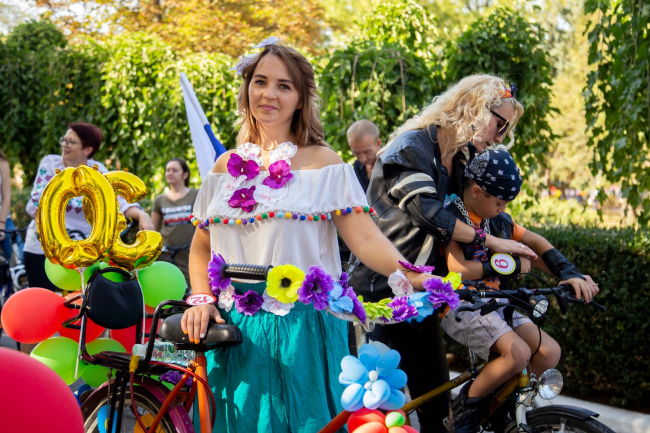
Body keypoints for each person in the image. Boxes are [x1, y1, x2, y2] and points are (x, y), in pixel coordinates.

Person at [180, 40, 434, 433]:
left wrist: (412, 274)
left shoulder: (325, 164)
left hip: (305, 332)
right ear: (247, 88)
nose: (269, 94)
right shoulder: (222, 168)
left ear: (300, 99)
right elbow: (201, 248)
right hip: (235, 334)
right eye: (260, 81)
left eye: (284, 86)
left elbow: (366, 240)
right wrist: (201, 299)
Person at [349, 74, 538, 432]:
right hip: (380, 293)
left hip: (422, 295)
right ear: (475, 106)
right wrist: (493, 244)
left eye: (506, 131)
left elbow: (482, 208)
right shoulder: (410, 148)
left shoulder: (463, 157)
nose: (500, 138)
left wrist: (535, 254)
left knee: (438, 412)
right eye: (500, 125)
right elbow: (430, 213)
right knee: (377, 413)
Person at [441, 147, 599, 432]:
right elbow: (458, 268)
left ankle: (500, 404)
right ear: (476, 192)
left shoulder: (499, 220)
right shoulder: (453, 217)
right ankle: (463, 413)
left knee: (549, 352)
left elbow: (536, 245)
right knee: (518, 353)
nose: (503, 210)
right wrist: (510, 266)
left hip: (498, 301)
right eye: (499, 203)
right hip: (462, 303)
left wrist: (569, 273)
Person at [23, 122, 154, 293]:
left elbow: (118, 202)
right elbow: (38, 202)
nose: (65, 145)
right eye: (64, 140)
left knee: (82, 302)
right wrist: (54, 235)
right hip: (43, 250)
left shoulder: (98, 170)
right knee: (42, 299)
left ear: (87, 149)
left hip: (85, 254)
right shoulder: (50, 163)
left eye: (71, 142)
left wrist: (142, 215)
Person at [151, 158, 199, 294]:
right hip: (166, 255)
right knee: (167, 290)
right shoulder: (160, 200)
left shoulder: (196, 195)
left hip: (189, 255)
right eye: (167, 170)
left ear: (185, 174)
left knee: (191, 291)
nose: (170, 173)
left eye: (175, 170)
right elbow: (153, 231)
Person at [0, 147, 23, 263]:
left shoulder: (2, 162)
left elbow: (6, 197)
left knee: (20, 261)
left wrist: (2, 223)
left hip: (3, 220)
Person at [347, 119, 382, 192]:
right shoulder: (358, 165)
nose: (363, 159)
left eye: (367, 152)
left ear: (378, 143)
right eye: (357, 153)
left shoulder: (388, 165)